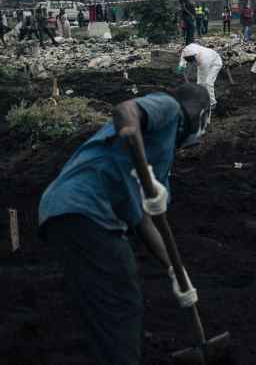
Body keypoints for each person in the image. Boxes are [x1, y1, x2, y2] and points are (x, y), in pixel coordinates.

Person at [38, 83, 210, 365]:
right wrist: (144, 172)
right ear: (203, 114)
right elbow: (125, 111)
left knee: (108, 309)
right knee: (121, 303)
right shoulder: (168, 108)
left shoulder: (164, 156)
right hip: (86, 205)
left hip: (74, 210)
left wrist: (175, 271)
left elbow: (145, 222)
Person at [178, 44, 223, 109]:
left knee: (208, 82)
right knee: (200, 84)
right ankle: (200, 100)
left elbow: (204, 74)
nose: (191, 63)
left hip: (215, 63)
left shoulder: (204, 60)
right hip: (204, 61)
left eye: (191, 61)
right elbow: (183, 55)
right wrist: (182, 65)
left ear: (194, 57)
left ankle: (212, 103)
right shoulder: (187, 50)